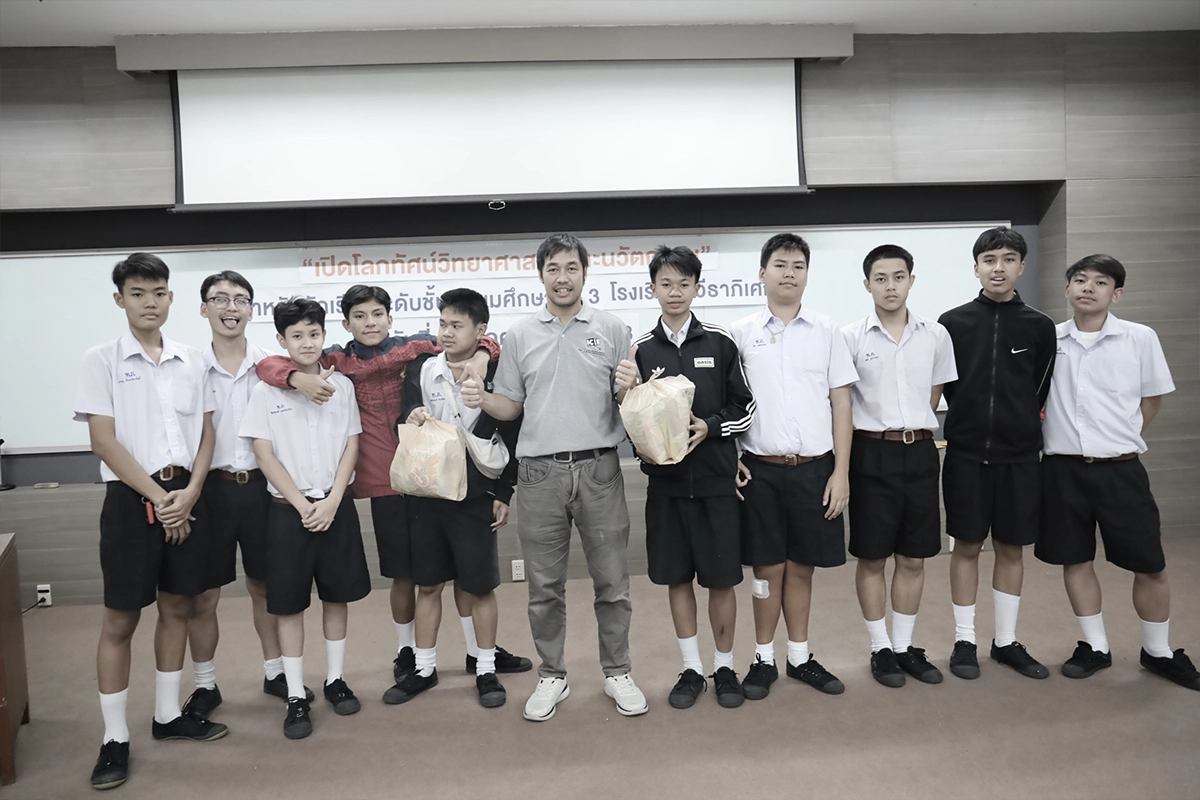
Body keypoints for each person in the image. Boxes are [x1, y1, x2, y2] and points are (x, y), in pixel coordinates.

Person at [255, 285, 529, 696]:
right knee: (409, 576)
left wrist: (483, 353)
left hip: (442, 481)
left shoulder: (415, 351)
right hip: (386, 481)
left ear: (390, 317)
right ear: (346, 324)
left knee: (467, 574)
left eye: (377, 314)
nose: (370, 323)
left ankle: (478, 653)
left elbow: (478, 339)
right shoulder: (335, 360)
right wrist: (295, 377)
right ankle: (409, 654)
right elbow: (272, 365)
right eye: (359, 316)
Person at [461, 232, 648, 721]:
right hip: (539, 473)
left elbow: (629, 403)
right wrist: (483, 399)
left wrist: (631, 387)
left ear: (585, 273)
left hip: (600, 468)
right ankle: (552, 675)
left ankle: (617, 671)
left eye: (571, 268)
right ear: (540, 275)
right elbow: (511, 406)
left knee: (613, 582)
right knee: (544, 587)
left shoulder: (613, 328)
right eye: (553, 269)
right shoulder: (520, 335)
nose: (562, 278)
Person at [75, 253, 226, 791]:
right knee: (120, 619)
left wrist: (189, 494)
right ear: (120, 299)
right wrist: (162, 500)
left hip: (187, 494)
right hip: (132, 500)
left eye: (159, 292)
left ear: (171, 298)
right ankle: (114, 738)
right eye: (138, 293)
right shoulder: (101, 359)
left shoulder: (193, 359)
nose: (150, 302)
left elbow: (207, 434)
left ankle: (167, 715)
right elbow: (103, 441)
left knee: (179, 606)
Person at [1036, 254, 1196, 690]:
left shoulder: (1139, 338)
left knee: (1150, 564)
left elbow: (1152, 400)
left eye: (1100, 282)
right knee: (1075, 558)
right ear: (1067, 289)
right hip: (1062, 470)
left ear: (1117, 293)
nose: (1088, 288)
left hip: (1121, 470)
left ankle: (1158, 652)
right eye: (1080, 280)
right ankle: (1095, 647)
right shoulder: (1049, 339)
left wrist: (1120, 438)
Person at [615, 245, 755, 709]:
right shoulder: (639, 350)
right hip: (667, 488)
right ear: (652, 288)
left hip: (717, 484)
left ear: (697, 287)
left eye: (684, 283)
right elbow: (630, 419)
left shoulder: (720, 342)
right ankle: (692, 669)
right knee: (677, 580)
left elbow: (745, 408)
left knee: (721, 581)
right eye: (666, 284)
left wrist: (709, 427)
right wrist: (626, 399)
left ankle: (725, 668)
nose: (674, 292)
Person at [729, 233, 857, 700]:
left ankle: (800, 657)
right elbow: (727, 404)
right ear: (762, 273)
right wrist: (731, 458)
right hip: (759, 471)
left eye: (798, 265)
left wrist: (841, 473)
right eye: (780, 265)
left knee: (802, 567)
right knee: (767, 570)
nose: (789, 273)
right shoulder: (739, 334)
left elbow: (841, 405)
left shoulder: (827, 331)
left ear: (807, 274)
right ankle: (763, 659)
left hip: (814, 470)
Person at [184, 271, 315, 722]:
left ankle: (276, 673)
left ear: (251, 310)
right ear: (204, 308)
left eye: (240, 299)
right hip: (209, 490)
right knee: (204, 596)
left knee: (265, 587)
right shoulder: (189, 367)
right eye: (220, 299)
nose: (231, 308)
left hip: (262, 489)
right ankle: (205, 685)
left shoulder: (272, 365)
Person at [240, 297, 372, 740]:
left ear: (324, 334)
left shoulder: (343, 387)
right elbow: (264, 454)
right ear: (282, 341)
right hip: (286, 512)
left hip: (336, 508)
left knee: (337, 597)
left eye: (314, 333)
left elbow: (352, 445)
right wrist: (301, 505)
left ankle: (335, 679)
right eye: (296, 335)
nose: (307, 342)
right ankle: (295, 693)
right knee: (289, 605)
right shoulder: (266, 391)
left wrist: (333, 499)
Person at [390, 288, 521, 708]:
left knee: (479, 587)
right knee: (428, 585)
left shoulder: (497, 373)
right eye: (442, 323)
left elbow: (512, 434)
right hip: (426, 495)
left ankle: (485, 669)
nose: (446, 332)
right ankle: (424, 668)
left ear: (481, 331)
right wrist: (410, 416)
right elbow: (402, 419)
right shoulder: (421, 369)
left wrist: (504, 492)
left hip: (476, 494)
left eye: (456, 325)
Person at [937, 227, 1056, 680]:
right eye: (989, 260)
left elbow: (1040, 390)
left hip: (1019, 457)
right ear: (976, 268)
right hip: (966, 455)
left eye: (1008, 259)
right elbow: (949, 387)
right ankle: (964, 640)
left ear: (1021, 266)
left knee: (1011, 547)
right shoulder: (952, 323)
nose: (998, 268)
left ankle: (1005, 641)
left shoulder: (1039, 326)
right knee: (966, 546)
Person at [842, 245, 957, 687]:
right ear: (866, 284)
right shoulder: (851, 338)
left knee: (913, 556)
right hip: (871, 453)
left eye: (898, 276)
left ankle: (905, 646)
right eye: (881, 278)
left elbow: (934, 394)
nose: (890, 286)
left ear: (911, 280)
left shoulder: (936, 335)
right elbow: (843, 404)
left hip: (922, 453)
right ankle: (881, 649)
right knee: (873, 556)